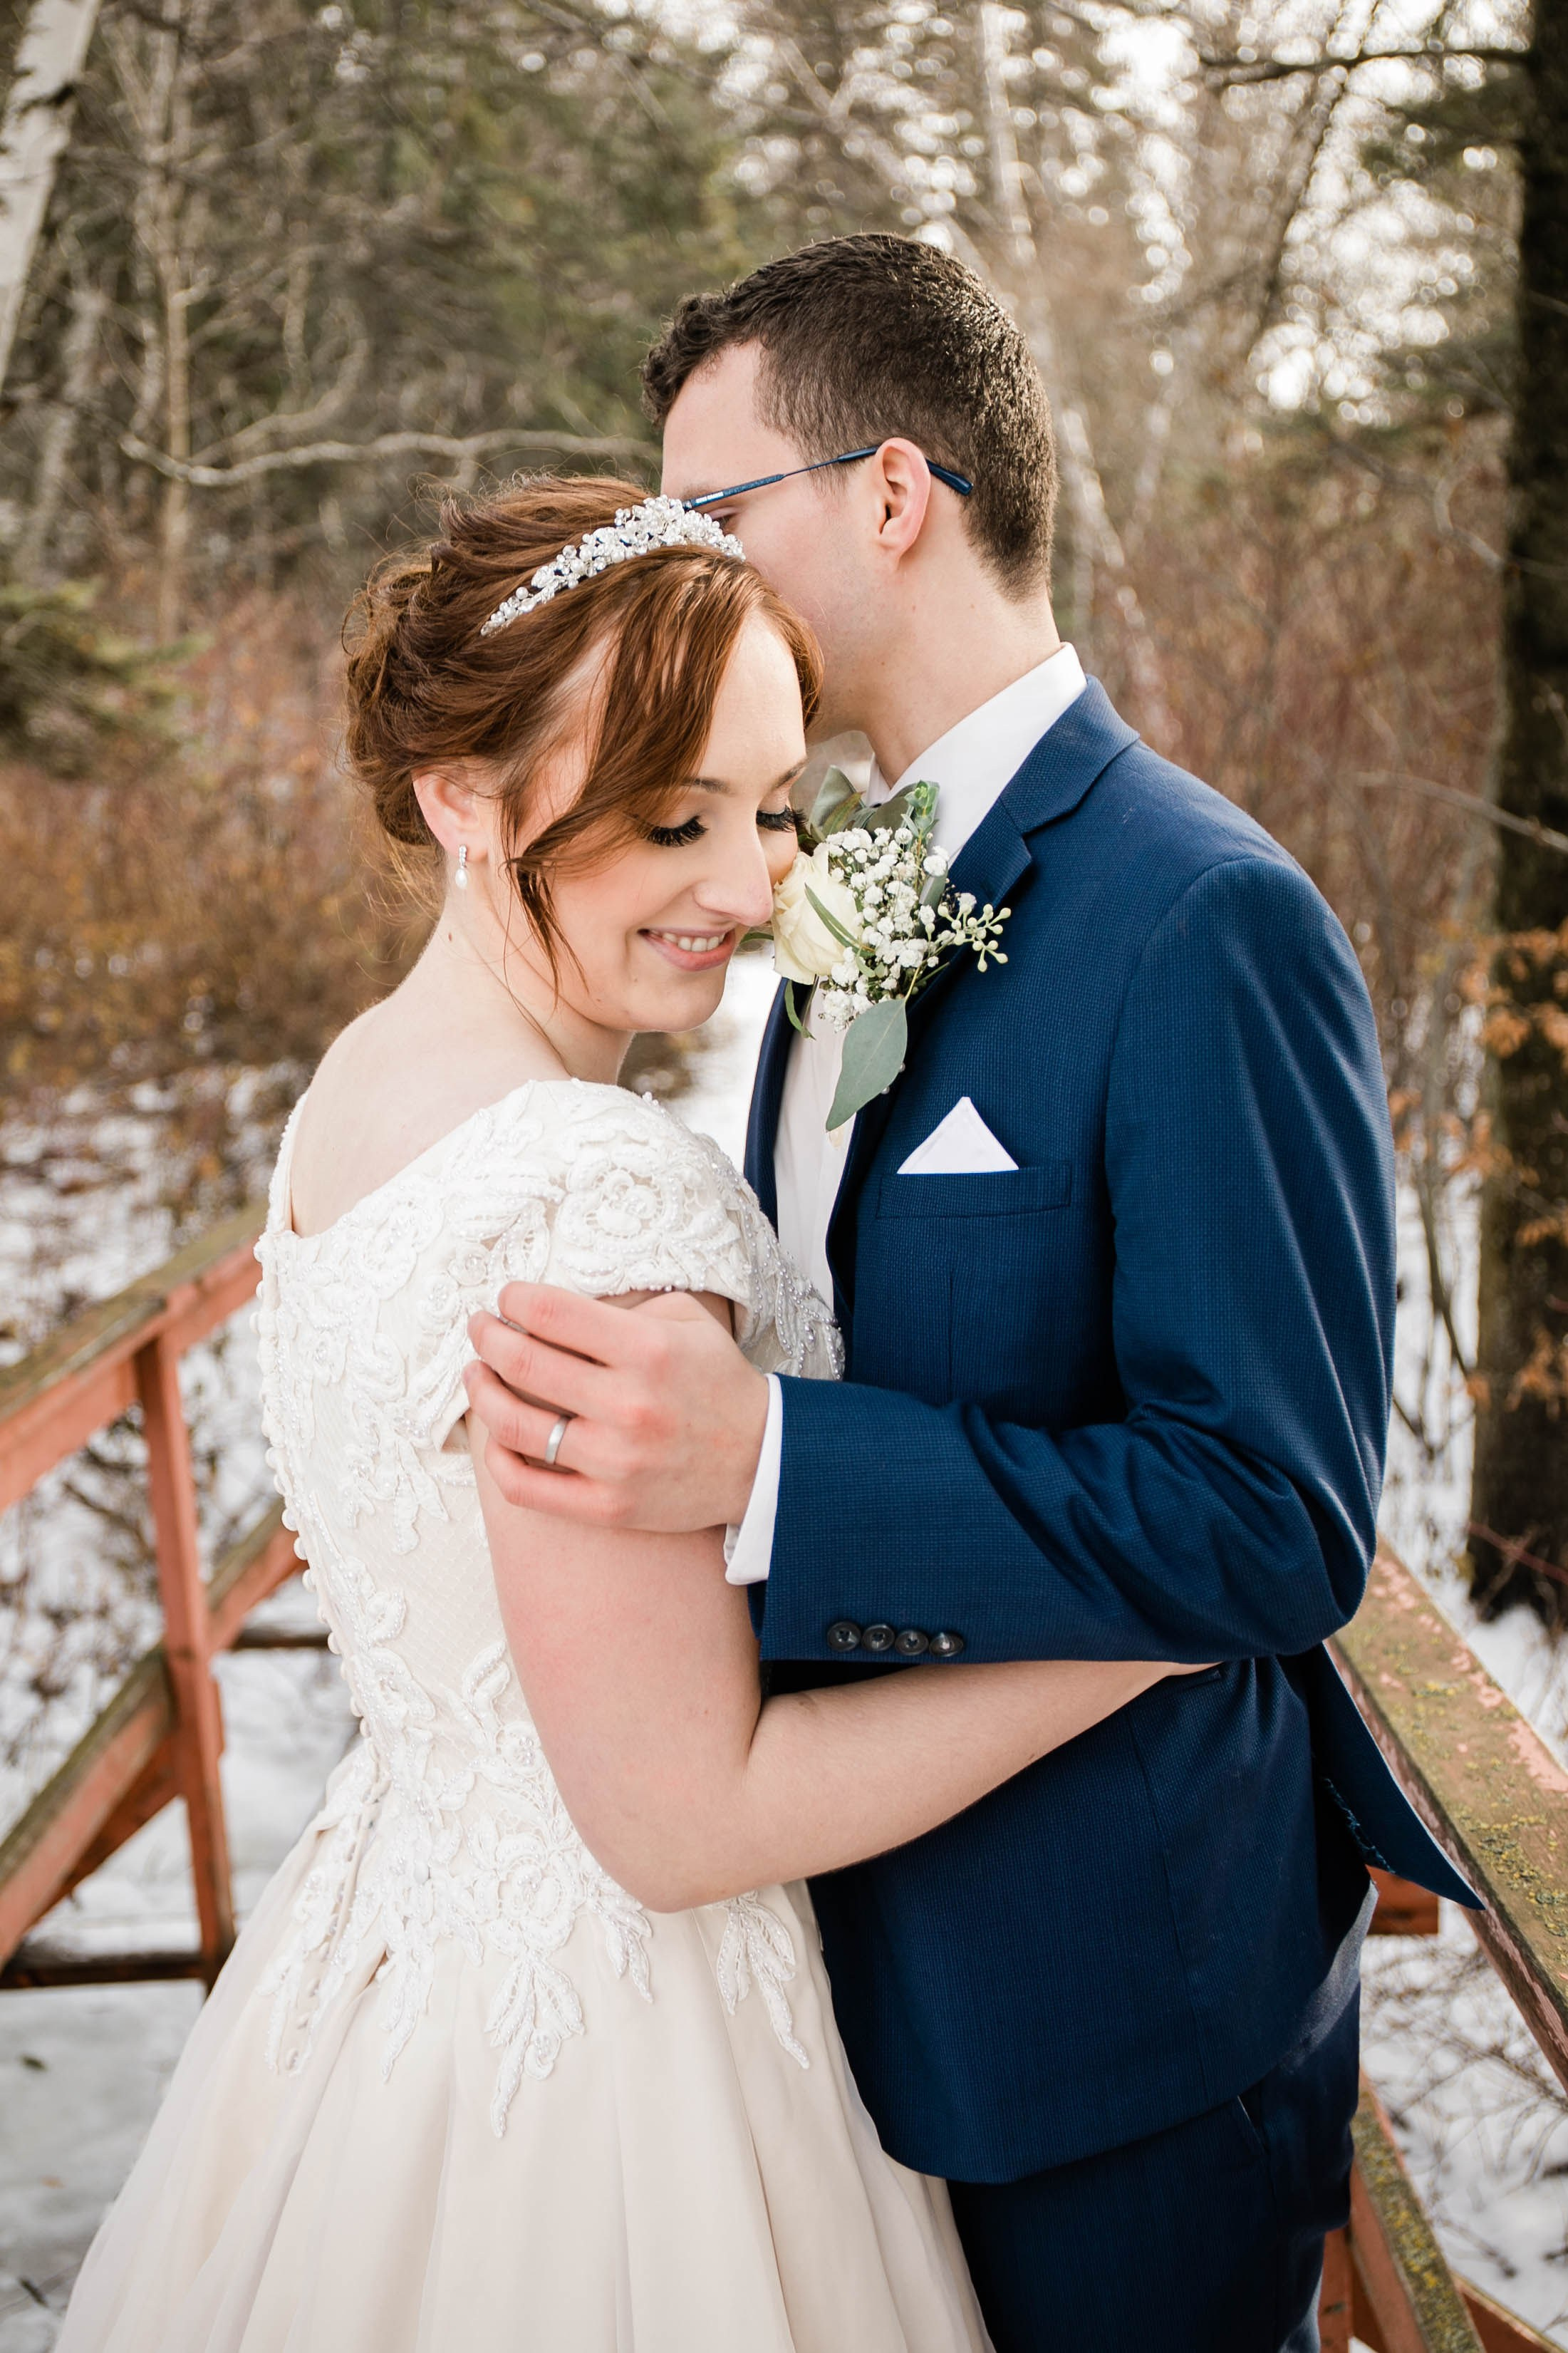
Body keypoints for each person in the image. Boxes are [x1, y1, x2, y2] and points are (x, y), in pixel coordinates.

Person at [55, 475, 1208, 2353]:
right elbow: (683, 1818)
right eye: (673, 820)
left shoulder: (360, 1093)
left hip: (386, 1966)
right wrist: (1147, 1630)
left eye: (771, 809)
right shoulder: (593, 1192)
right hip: (619, 2071)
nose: (753, 887)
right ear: (464, 800)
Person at [464, 237, 1478, 2353]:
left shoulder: (1199, 919)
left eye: (712, 516)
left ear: (891, 495)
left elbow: (1270, 1521)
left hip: (1106, 2021)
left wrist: (772, 1464)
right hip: (828, 1978)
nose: (685, 575)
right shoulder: (847, 884)